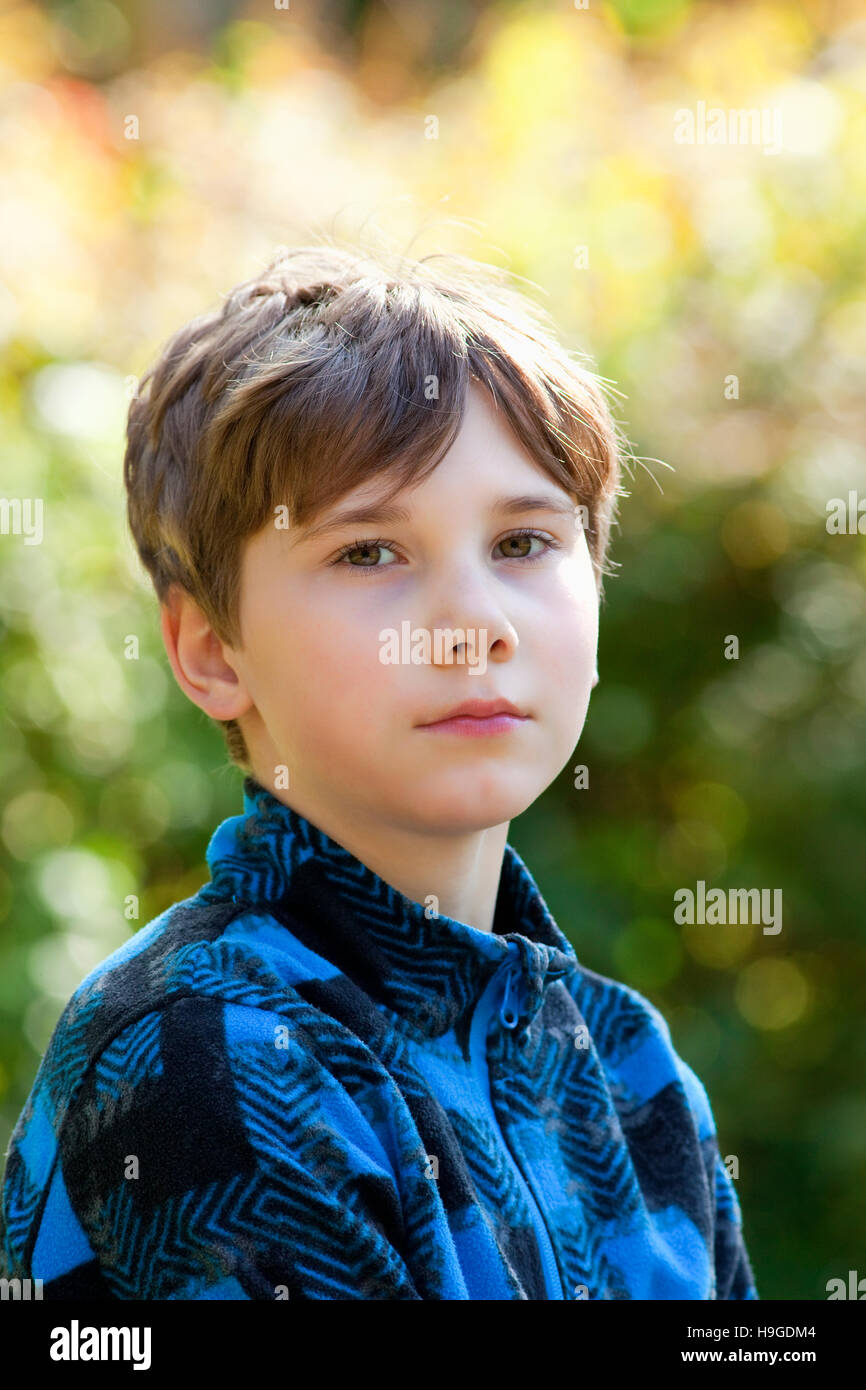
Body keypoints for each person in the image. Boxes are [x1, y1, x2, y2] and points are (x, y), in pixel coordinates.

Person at [0, 241, 758, 1299]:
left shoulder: (629, 1070)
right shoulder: (206, 1057)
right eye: (369, 553)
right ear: (213, 649)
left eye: (524, 542)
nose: (471, 626)